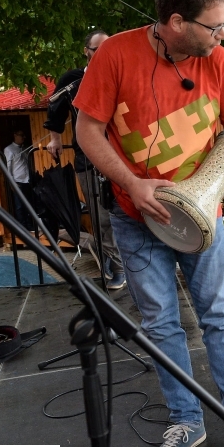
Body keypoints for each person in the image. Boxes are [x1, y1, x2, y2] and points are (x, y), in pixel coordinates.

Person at [74, 0, 224, 447]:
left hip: (203, 215)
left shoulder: (220, 61)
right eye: (214, 27)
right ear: (175, 23)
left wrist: (204, 191)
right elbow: (87, 129)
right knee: (161, 325)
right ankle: (186, 420)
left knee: (218, 318)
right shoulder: (115, 55)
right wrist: (133, 183)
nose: (223, 35)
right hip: (133, 215)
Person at [44, 29, 127, 291]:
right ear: (86, 51)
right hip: (88, 158)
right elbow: (54, 109)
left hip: (123, 157)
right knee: (101, 215)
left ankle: (127, 263)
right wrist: (55, 139)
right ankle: (117, 265)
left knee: (125, 212)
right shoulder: (73, 80)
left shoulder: (122, 73)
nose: (103, 54)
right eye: (97, 50)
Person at [4, 130, 33, 230]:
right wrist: (11, 182)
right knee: (19, 206)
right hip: (18, 181)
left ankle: (30, 227)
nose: (23, 138)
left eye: (24, 136)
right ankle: (23, 229)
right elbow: (8, 166)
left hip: (27, 180)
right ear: (15, 135)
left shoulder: (25, 148)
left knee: (28, 204)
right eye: (21, 135)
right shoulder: (9, 149)